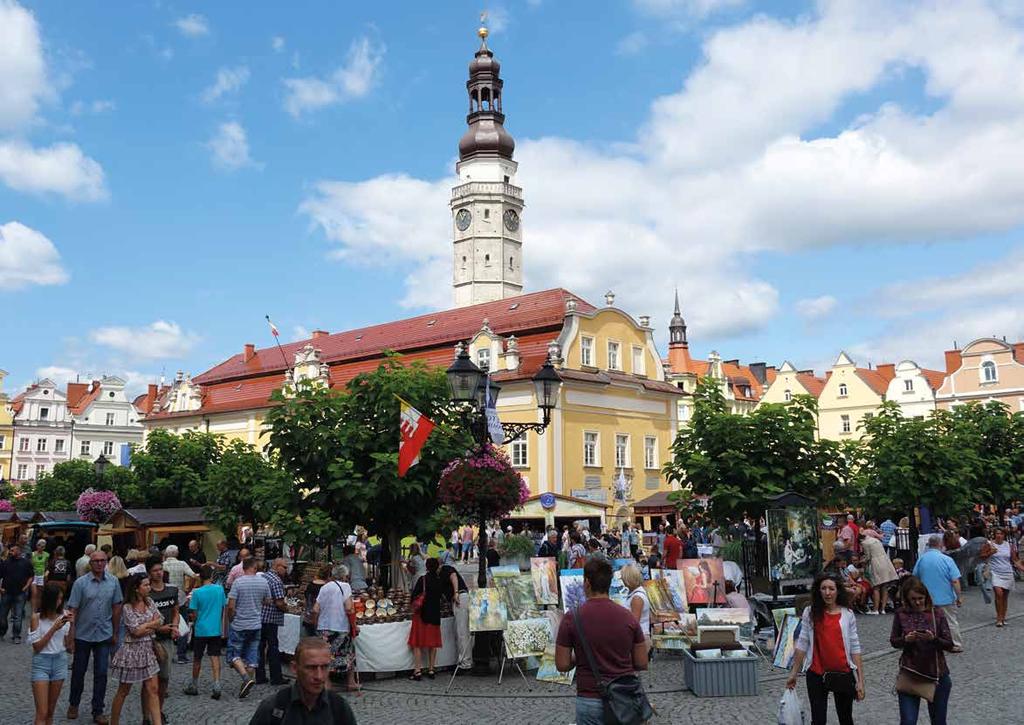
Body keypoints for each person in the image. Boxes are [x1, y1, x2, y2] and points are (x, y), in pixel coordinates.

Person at [555, 557, 648, 725]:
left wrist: (580, 656)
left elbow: (562, 664)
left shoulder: (572, 618)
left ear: (587, 583)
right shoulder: (628, 617)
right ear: (609, 583)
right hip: (623, 698)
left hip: (589, 697)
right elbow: (641, 662)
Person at [786, 573, 865, 725]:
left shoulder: (847, 614)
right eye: (824, 588)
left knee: (845, 718)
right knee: (818, 719)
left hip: (843, 672)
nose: (827, 593)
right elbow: (802, 643)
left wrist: (860, 681)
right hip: (816, 673)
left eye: (831, 589)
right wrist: (793, 673)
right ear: (818, 591)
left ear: (838, 591)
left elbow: (855, 647)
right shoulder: (810, 612)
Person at [67, 548, 123, 724]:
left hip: (103, 635)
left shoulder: (113, 582)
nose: (99, 563)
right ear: (90, 563)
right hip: (83, 634)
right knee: (78, 671)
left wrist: (115, 633)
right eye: (96, 561)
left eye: (102, 560)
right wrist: (71, 634)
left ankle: (98, 710)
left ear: (106, 562)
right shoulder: (80, 583)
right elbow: (73, 609)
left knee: (101, 674)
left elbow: (117, 608)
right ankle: (74, 703)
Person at [248, 637, 357, 725]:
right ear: (294, 668)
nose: (319, 676)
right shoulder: (274, 707)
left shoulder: (339, 708)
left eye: (324, 667)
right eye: (311, 668)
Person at [890, 576, 953, 725]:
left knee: (938, 721)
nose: (918, 602)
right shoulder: (901, 614)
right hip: (911, 672)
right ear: (906, 598)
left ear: (926, 596)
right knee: (908, 721)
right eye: (913, 599)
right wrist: (906, 640)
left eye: (920, 598)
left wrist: (933, 639)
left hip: (937, 673)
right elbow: (894, 641)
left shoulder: (936, 613)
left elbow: (949, 643)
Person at [109, 574, 162, 725]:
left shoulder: (150, 602)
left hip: (148, 650)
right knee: (124, 690)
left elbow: (160, 620)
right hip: (131, 652)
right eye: (145, 585)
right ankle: (114, 722)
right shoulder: (127, 607)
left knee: (153, 689)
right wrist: (150, 625)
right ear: (136, 589)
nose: (149, 587)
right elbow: (135, 631)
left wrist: (144, 626)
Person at [227, 557, 271, 699]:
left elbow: (231, 606)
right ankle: (245, 686)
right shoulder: (264, 582)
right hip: (256, 624)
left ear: (243, 568)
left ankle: (246, 678)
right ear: (255, 567)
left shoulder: (238, 583)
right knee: (252, 656)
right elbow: (268, 601)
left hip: (239, 624)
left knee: (233, 654)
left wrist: (231, 618)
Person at [29, 583, 73, 725]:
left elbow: (70, 647)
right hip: (41, 663)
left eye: (61, 598)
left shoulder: (64, 615)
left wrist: (72, 625)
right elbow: (37, 647)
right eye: (57, 599)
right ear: (49, 599)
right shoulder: (36, 618)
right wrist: (54, 628)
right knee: (41, 712)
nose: (60, 602)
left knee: (50, 711)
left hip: (59, 661)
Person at [912, 535, 963, 652]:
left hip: (927, 598)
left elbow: (915, 577)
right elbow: (955, 580)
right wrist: (959, 596)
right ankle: (955, 644)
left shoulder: (922, 559)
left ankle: (930, 643)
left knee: (928, 621)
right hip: (946, 597)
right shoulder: (947, 559)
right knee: (950, 621)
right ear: (940, 545)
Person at [183, 564, 226, 699]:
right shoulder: (219, 590)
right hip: (215, 628)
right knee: (215, 656)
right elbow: (222, 607)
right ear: (212, 576)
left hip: (201, 629)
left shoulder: (197, 592)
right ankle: (217, 684)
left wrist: (195, 620)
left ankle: (194, 684)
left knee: (197, 658)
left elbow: (194, 613)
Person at [313, 564, 358, 691]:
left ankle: (327, 683)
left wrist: (316, 624)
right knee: (348, 654)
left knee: (326, 655)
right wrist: (354, 625)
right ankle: (351, 682)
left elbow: (315, 609)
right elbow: (349, 608)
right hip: (340, 626)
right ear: (344, 576)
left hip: (324, 627)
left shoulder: (324, 587)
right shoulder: (345, 586)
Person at [145, 558, 179, 720]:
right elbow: (141, 620)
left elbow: (176, 611)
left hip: (166, 640)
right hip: (149, 641)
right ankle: (147, 716)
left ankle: (158, 711)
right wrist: (159, 628)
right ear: (149, 574)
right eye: (155, 570)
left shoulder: (172, 590)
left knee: (164, 678)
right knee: (149, 683)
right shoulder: (146, 593)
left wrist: (175, 627)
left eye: (160, 569)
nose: (159, 573)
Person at [979, 527, 1024, 627]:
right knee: (999, 594)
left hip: (1007, 572)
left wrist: (1022, 568)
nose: (999, 535)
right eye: (997, 533)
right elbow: (981, 556)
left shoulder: (1009, 545)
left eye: (1001, 534)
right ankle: (999, 618)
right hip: (995, 572)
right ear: (994, 535)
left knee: (1005, 597)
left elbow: (1015, 560)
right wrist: (990, 552)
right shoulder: (990, 544)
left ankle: (1003, 616)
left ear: (1004, 535)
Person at [407, 557, 442, 681]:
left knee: (417, 644)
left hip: (421, 615)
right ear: (437, 567)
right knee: (433, 645)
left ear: (426, 567)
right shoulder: (439, 580)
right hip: (435, 615)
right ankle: (431, 669)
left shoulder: (423, 580)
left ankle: (417, 671)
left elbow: (413, 596)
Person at [257, 558, 289, 686]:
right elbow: (279, 602)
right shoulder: (276, 580)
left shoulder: (264, 576)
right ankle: (276, 677)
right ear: (277, 566)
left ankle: (259, 676)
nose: (286, 570)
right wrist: (286, 609)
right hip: (270, 618)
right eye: (285, 567)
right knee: (273, 647)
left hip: (260, 616)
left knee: (260, 647)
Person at [438, 550, 472, 669]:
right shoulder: (440, 574)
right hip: (458, 599)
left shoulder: (445, 569)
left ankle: (465, 663)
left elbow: (453, 576)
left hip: (460, 598)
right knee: (460, 632)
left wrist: (456, 593)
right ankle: (463, 660)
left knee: (462, 632)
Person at [0, 543, 33, 643]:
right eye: (10, 550)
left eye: (13, 550)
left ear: (19, 551)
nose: (11, 552)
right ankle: (2, 632)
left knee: (18, 616)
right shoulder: (5, 563)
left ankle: (16, 636)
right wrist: (0, 588)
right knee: (2, 615)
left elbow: (31, 576)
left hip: (20, 593)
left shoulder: (26, 563)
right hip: (6, 592)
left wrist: (26, 587)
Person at [860, 533, 898, 615]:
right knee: (884, 587)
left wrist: (861, 561)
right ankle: (883, 609)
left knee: (876, 587)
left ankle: (875, 609)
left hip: (876, 564)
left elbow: (868, 557)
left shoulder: (865, 543)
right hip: (886, 562)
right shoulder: (876, 540)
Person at [622, 563, 651, 652]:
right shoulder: (638, 593)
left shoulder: (637, 598)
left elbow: (634, 623)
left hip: (638, 639)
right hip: (640, 636)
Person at [303, 565, 330, 637]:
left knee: (309, 642)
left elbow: (306, 600)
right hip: (320, 620)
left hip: (308, 617)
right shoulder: (327, 588)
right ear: (328, 576)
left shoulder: (310, 585)